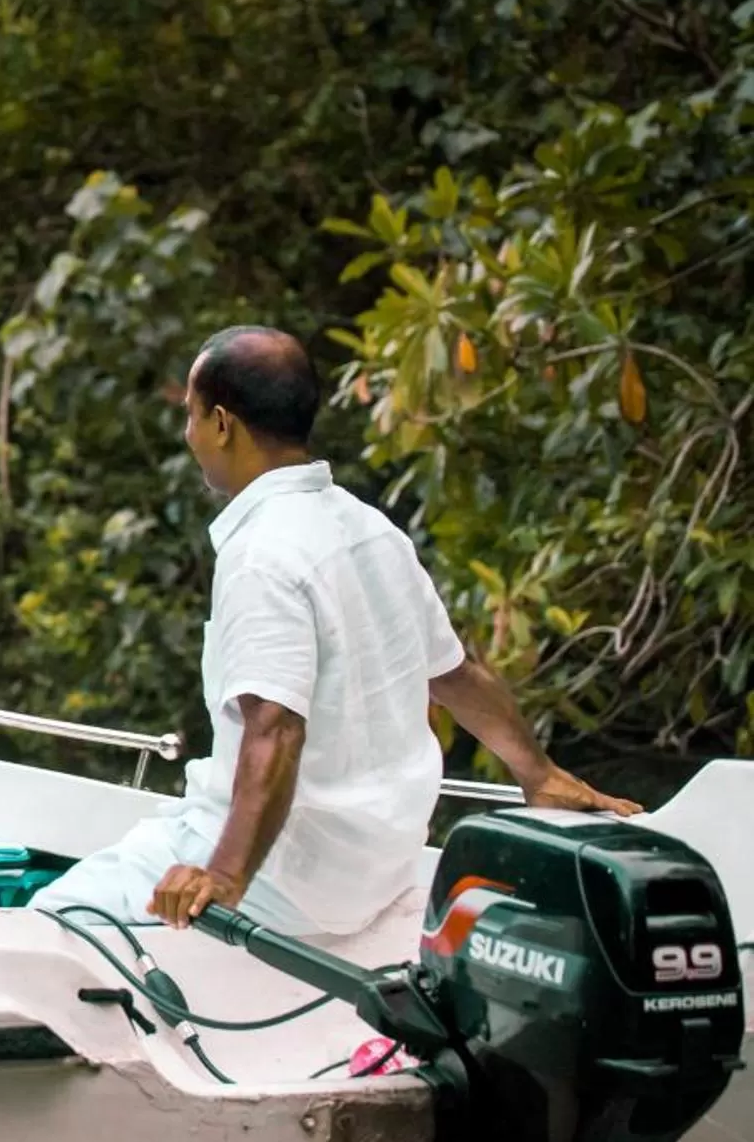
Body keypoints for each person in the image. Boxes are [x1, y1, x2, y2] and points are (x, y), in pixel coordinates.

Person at [35, 325, 639, 937]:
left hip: (285, 881)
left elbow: (276, 728)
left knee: (51, 921)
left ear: (222, 423)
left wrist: (223, 876)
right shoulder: (373, 529)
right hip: (381, 869)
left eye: (191, 417)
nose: (189, 435)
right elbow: (455, 673)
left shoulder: (261, 553)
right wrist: (540, 774)